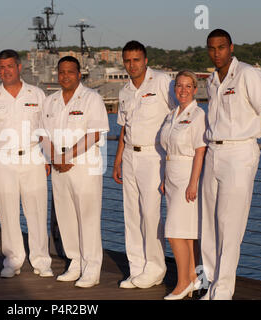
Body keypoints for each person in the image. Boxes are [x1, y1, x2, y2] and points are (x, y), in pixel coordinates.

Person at [200, 29, 261, 300]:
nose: (216, 52)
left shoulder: (247, 74)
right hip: (213, 152)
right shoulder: (211, 80)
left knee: (229, 224)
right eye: (212, 48)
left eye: (221, 47)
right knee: (208, 224)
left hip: (240, 153)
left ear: (231, 47)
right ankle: (210, 284)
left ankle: (222, 292)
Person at [0, 49, 52, 278]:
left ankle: (41, 261)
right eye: (2, 67)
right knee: (7, 211)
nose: (6, 71)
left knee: (37, 210)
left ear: (19, 67)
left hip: (32, 156)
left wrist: (48, 157)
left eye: (10, 66)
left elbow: (46, 129)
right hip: (3, 158)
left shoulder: (37, 94)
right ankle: (13, 259)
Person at [40, 56, 109, 288]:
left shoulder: (92, 98)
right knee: (66, 216)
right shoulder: (50, 101)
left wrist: (66, 157)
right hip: (59, 167)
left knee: (87, 217)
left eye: (70, 71)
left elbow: (95, 133)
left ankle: (92, 267)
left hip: (84, 166)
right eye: (61, 72)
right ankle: (75, 261)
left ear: (79, 74)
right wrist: (54, 158)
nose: (65, 76)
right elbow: (43, 135)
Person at [112, 41, 175, 289]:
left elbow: (178, 113)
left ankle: (156, 268)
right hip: (129, 155)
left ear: (145, 60)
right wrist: (117, 160)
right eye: (127, 60)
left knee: (150, 214)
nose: (132, 65)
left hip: (154, 155)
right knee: (132, 214)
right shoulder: (125, 90)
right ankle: (136, 267)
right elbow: (124, 127)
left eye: (136, 60)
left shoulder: (161, 81)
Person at [159, 71, 206, 300]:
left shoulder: (198, 115)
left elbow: (200, 151)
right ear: (174, 88)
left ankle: (182, 283)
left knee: (174, 232)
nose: (183, 90)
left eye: (188, 86)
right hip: (171, 174)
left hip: (188, 175)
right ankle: (196, 279)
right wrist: (163, 178)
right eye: (179, 86)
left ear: (195, 89)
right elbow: (166, 149)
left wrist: (193, 183)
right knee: (186, 233)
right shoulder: (171, 115)